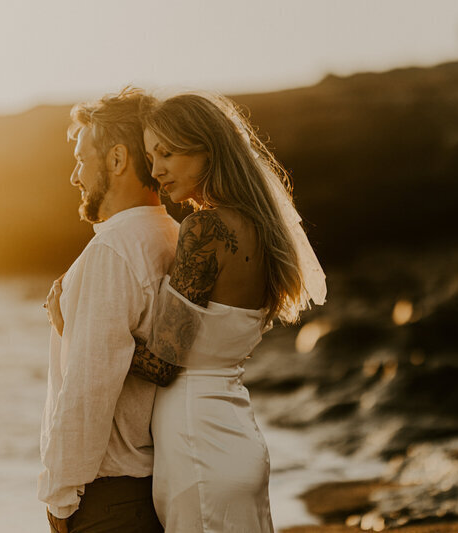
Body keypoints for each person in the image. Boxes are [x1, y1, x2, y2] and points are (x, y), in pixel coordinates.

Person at [128, 93, 327, 532]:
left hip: (195, 441)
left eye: (168, 153)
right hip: (237, 434)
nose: (156, 169)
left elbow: (162, 363)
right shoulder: (262, 229)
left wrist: (88, 332)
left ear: (208, 149)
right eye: (149, 156)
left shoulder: (205, 228)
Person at [38, 87, 179, 533]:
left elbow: (89, 388)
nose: (75, 177)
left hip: (107, 499)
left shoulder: (113, 250)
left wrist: (60, 498)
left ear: (117, 160)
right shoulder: (172, 236)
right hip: (148, 487)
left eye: (82, 160)